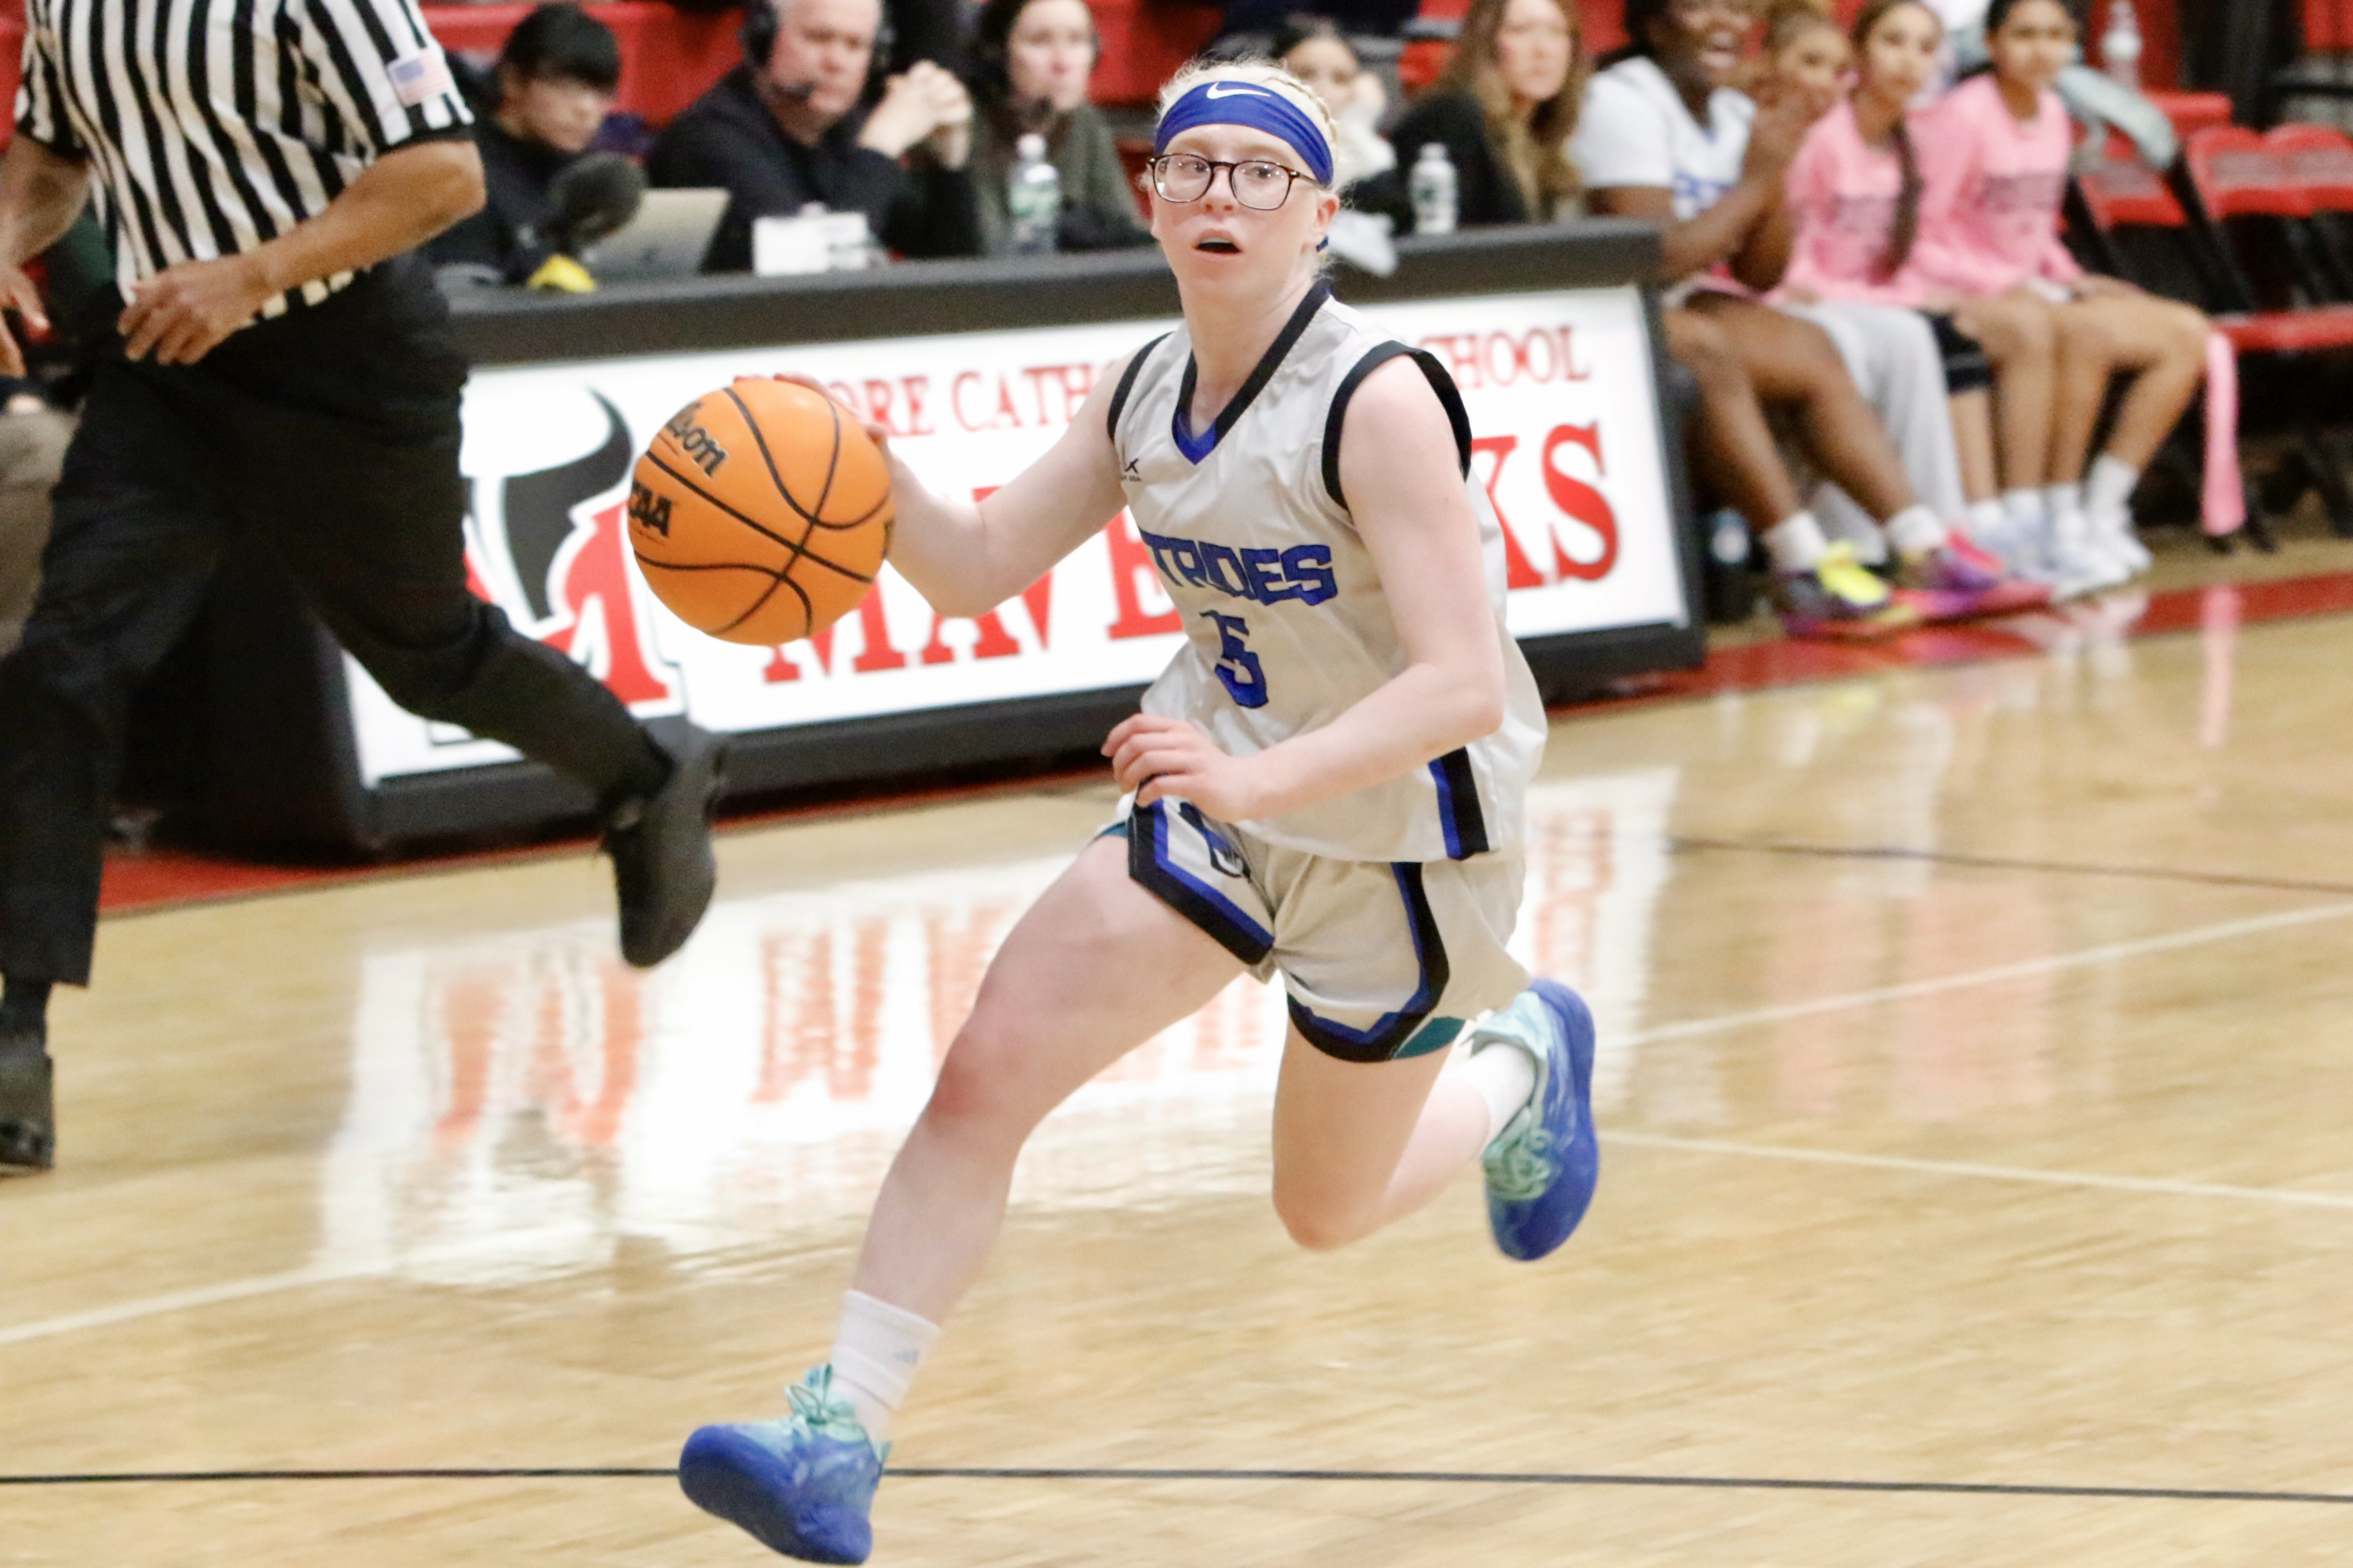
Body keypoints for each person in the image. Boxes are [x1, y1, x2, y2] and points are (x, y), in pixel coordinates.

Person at [673, 59, 1600, 1565]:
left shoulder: (1377, 402)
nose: (1222, 195)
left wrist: (1254, 775)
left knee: (1323, 1210)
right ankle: (836, 1434)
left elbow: (1458, 688)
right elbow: (972, 565)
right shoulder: (1143, 388)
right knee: (986, 1067)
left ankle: (1523, 1065)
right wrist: (852, 458)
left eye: (1259, 173)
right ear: (1152, 199)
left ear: (1320, 210)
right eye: (1195, 168)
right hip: (1221, 792)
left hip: (1408, 847)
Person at [0, 0, 724, 1173]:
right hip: (170, 367)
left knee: (428, 653)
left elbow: (443, 175)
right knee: (64, 659)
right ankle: (14, 1036)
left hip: (347, 359)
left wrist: (252, 272)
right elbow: (51, 152)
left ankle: (646, 778)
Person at [1573, 0, 2037, 635]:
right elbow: (1660, 256)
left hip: (1671, 296)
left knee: (1810, 348)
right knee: (1706, 348)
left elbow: (1761, 271)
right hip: (1595, 303)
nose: (1725, 22)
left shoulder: (1736, 113)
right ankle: (1801, 567)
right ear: (1654, 23)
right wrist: (1758, 178)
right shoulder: (1622, 99)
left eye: (1737, 10)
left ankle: (1921, 545)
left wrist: (1773, 172)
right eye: (1700, 6)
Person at [1908, 0, 2211, 582]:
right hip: (1958, 289)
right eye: (2023, 34)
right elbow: (1919, 230)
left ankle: (2100, 510)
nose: (2040, 49)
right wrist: (2006, 284)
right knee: (2067, 332)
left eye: (2054, 35)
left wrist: (2066, 274)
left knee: (2183, 331)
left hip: (2031, 286)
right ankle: (2039, 517)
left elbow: (2033, 224)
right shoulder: (1960, 118)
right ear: (1992, 44)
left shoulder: (2051, 112)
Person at [648, 0, 980, 272]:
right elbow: (813, 272)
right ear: (763, 40)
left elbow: (957, 272)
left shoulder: (847, 131)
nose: (836, 61)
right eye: (818, 38)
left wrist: (949, 166)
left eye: (855, 45)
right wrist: (880, 148)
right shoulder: (708, 139)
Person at [428, 3, 625, 283]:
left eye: (601, 92)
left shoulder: (590, 176)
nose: (586, 109)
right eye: (566, 86)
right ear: (512, 80)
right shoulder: (462, 173)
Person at [1378, 0, 1587, 231]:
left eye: (1556, 32)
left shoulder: (1544, 136)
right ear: (1484, 43)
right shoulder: (1452, 118)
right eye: (1521, 30)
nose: (1543, 50)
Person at [965, 0, 1152, 255]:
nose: (1063, 63)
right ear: (997, 53)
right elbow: (985, 251)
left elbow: (1131, 240)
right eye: (1040, 41)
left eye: (1077, 40)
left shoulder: (1084, 120)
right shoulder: (966, 127)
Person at [1274, 18, 1397, 197]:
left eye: (1340, 79)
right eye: (1304, 75)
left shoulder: (1372, 148)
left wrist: (1357, 120)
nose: (1322, 90)